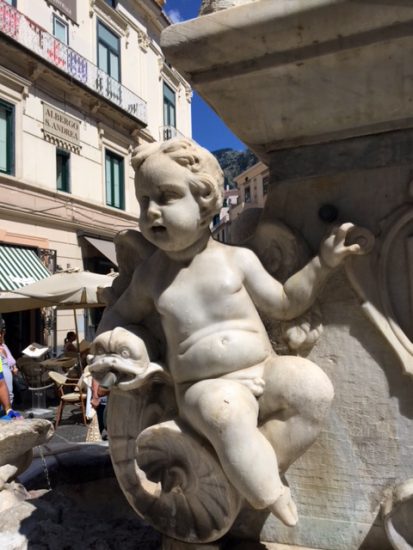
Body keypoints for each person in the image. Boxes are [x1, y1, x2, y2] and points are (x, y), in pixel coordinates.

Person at [94, 138, 364, 526]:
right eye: (143, 200)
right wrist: (119, 343)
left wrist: (324, 263)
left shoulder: (238, 260)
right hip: (202, 387)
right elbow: (119, 316)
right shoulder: (151, 277)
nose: (151, 211)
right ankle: (267, 490)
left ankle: (249, 467)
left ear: (205, 202)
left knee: (312, 389)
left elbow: (285, 302)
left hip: (264, 369)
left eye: (166, 197)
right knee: (226, 414)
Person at [0, 319, 18, 406]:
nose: (0, 335)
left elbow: (11, 362)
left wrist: (14, 368)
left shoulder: (4, 346)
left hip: (9, 397)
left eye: (2, 332)